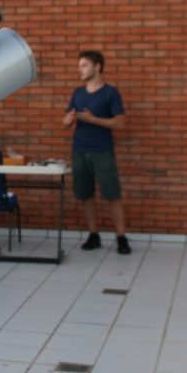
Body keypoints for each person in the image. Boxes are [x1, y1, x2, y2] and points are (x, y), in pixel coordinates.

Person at [62, 50, 131, 255]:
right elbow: (65, 122)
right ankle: (94, 235)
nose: (80, 69)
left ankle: (121, 237)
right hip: (80, 150)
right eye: (79, 65)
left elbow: (120, 122)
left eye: (84, 65)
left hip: (102, 150)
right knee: (86, 196)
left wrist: (93, 120)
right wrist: (69, 120)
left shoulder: (110, 92)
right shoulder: (78, 93)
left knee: (112, 194)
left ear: (97, 66)